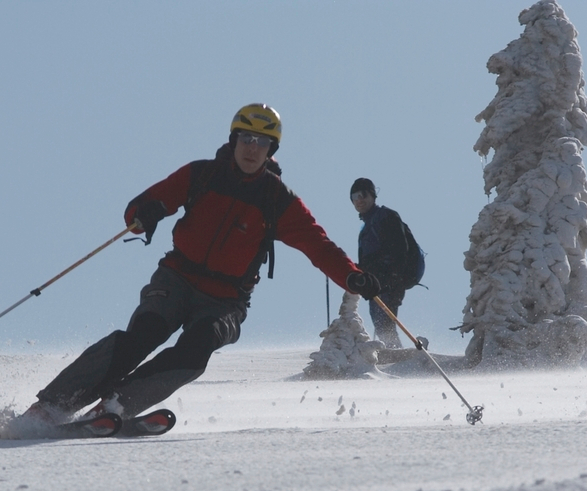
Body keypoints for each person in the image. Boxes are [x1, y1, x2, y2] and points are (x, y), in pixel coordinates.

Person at [27, 104, 381, 424]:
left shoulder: (278, 200)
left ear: (271, 149)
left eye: (262, 141)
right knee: (142, 336)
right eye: (246, 138)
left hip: (226, 300)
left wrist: (352, 276)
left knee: (196, 350)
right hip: (176, 278)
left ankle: (116, 407)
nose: (252, 147)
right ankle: (50, 406)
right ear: (233, 139)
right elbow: (148, 202)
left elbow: (319, 246)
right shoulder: (203, 175)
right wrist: (143, 214)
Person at [350, 177, 413, 348]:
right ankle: (394, 355)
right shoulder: (366, 228)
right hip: (377, 284)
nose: (359, 200)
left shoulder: (386, 216)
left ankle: (395, 356)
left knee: (383, 321)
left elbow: (400, 247)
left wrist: (393, 275)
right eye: (355, 196)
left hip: (390, 281)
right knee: (380, 321)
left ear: (372, 195)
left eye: (362, 194)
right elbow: (367, 262)